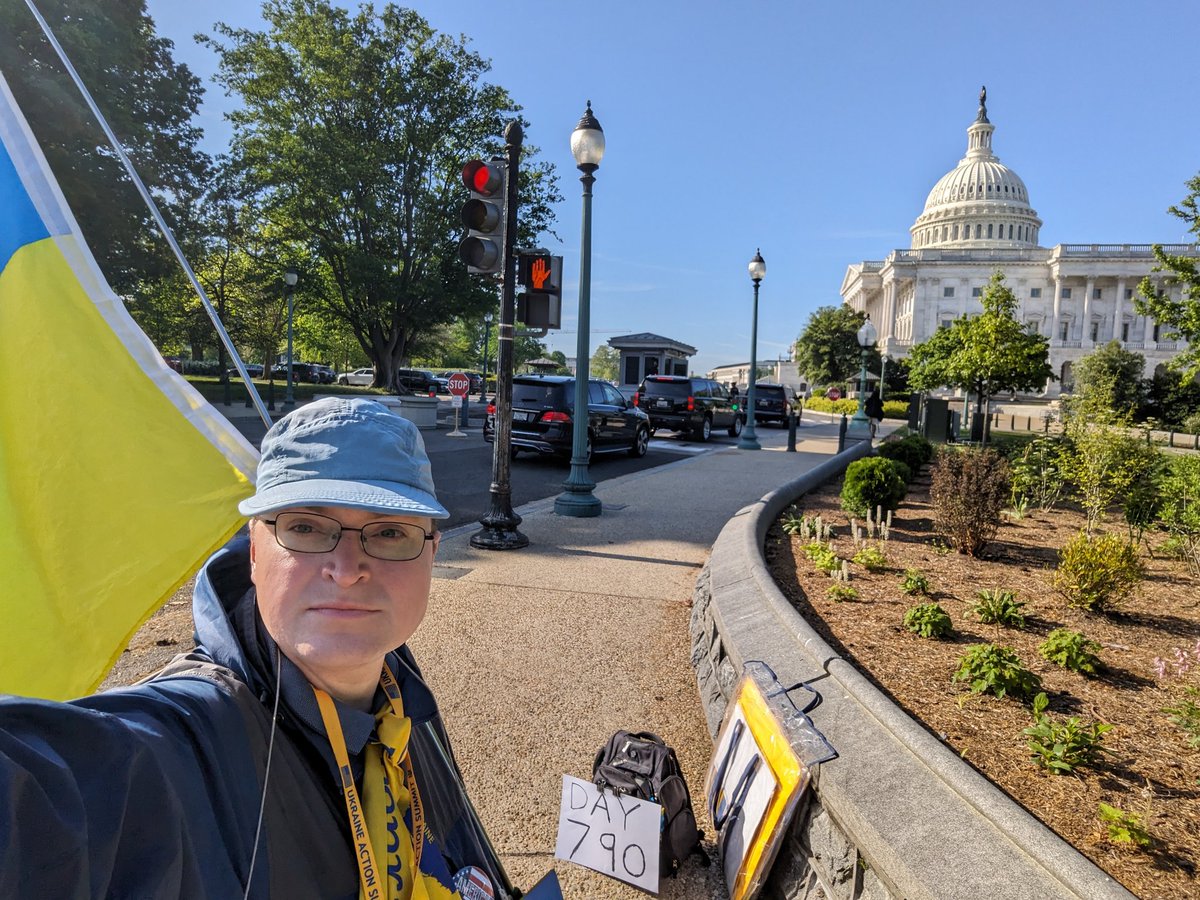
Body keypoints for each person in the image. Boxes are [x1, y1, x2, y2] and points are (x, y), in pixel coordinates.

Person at [0, 397, 509, 899]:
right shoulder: (177, 746)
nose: (348, 567)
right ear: (254, 550)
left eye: (391, 532)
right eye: (305, 527)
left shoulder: (402, 694)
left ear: (431, 555)